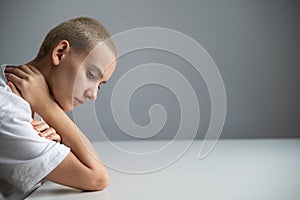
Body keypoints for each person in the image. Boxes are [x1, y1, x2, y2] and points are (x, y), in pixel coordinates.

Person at [0, 17, 117, 199]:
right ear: (60, 52)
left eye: (100, 85)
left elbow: (88, 161)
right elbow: (97, 177)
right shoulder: (8, 109)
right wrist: (48, 107)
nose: (93, 95)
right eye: (91, 74)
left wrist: (50, 112)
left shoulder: (35, 100)